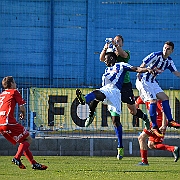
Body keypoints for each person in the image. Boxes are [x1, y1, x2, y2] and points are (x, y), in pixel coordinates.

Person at [76, 51, 154, 160]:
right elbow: (102, 58)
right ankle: (86, 104)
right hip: (106, 91)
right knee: (95, 95)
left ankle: (120, 147)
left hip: (115, 93)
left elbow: (136, 69)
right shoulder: (107, 69)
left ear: (112, 59)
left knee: (116, 121)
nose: (105, 61)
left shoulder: (121, 65)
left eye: (106, 59)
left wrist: (147, 69)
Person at [99, 35, 150, 130]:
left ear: (122, 43)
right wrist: (105, 48)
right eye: (115, 41)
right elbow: (102, 59)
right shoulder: (111, 54)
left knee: (132, 111)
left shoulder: (125, 53)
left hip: (125, 85)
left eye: (118, 41)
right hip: (114, 86)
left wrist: (116, 46)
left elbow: (123, 55)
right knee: (111, 107)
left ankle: (145, 118)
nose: (116, 42)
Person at [0, 76, 48, 170]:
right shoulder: (14, 92)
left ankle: (34, 163)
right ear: (11, 84)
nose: (16, 84)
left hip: (1, 124)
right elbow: (22, 107)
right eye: (14, 82)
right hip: (8, 122)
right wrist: (23, 114)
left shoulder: (2, 94)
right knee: (28, 139)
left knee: (23, 141)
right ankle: (16, 158)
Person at [137, 41, 180, 138]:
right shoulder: (156, 55)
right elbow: (144, 62)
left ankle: (170, 121)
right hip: (143, 81)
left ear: (172, 51)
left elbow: (176, 73)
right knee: (153, 101)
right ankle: (154, 126)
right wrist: (139, 72)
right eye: (165, 47)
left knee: (165, 98)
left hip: (152, 82)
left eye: (168, 49)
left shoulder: (169, 61)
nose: (165, 50)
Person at [135, 96, 179, 166]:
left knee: (141, 138)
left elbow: (164, 111)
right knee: (151, 144)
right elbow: (137, 102)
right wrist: (137, 109)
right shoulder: (146, 96)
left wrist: (163, 125)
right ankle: (173, 149)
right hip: (155, 123)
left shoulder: (158, 99)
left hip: (158, 123)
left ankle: (144, 162)